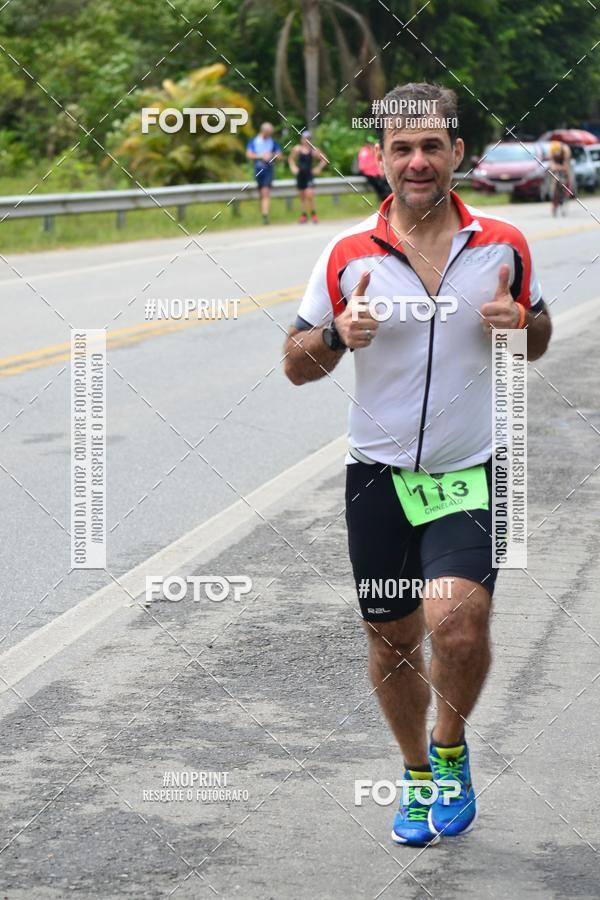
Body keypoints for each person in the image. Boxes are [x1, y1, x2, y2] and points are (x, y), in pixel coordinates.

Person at [283, 82, 551, 847]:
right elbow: (295, 363)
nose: (418, 161)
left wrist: (519, 322)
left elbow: (536, 335)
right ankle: (415, 776)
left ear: (457, 153)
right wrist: (337, 334)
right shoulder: (344, 254)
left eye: (432, 146)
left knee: (457, 624)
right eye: (402, 148)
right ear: (383, 159)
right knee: (393, 638)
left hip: (469, 468)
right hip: (378, 479)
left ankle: (450, 750)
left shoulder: (502, 244)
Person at [246, 122, 282, 224]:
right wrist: (261, 156)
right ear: (263, 131)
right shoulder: (255, 141)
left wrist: (271, 155)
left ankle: (265, 216)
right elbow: (249, 155)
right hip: (258, 169)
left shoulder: (272, 142)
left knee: (265, 192)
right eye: (268, 133)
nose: (269, 135)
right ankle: (263, 214)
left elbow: (280, 156)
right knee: (261, 193)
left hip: (268, 169)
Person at [288, 130, 327, 223]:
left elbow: (324, 159)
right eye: (305, 138)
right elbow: (291, 159)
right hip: (300, 174)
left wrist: (318, 168)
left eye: (308, 139)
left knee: (309, 194)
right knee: (302, 196)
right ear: (302, 139)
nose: (306, 140)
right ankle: (304, 215)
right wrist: (293, 167)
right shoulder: (297, 149)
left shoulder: (314, 150)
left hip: (309, 175)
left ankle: (313, 214)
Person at [357, 136, 391, 201]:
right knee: (378, 184)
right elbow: (363, 166)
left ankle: (385, 198)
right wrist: (373, 173)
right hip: (367, 173)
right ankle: (383, 198)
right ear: (366, 144)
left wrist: (380, 172)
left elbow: (377, 163)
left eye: (371, 143)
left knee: (384, 182)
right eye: (369, 143)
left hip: (374, 173)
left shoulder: (373, 151)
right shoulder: (364, 152)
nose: (371, 145)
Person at [548, 140, 572, 216]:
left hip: (564, 162)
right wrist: (554, 167)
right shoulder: (551, 151)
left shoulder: (566, 150)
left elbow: (565, 165)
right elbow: (551, 163)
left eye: (557, 154)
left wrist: (564, 170)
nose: (557, 155)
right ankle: (554, 195)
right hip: (556, 163)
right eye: (555, 154)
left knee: (567, 176)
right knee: (554, 177)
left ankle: (567, 190)